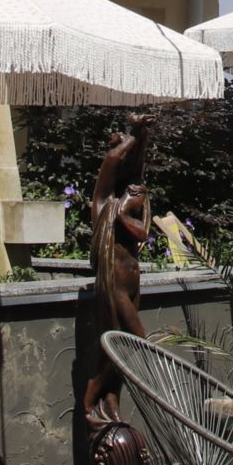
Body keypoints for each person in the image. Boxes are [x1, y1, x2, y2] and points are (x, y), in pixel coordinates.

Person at [80, 115, 153, 427]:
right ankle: (91, 393)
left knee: (117, 346)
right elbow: (114, 158)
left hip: (132, 280)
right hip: (115, 282)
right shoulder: (105, 203)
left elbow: (143, 232)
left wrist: (142, 133)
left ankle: (111, 403)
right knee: (134, 340)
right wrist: (132, 135)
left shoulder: (129, 204)